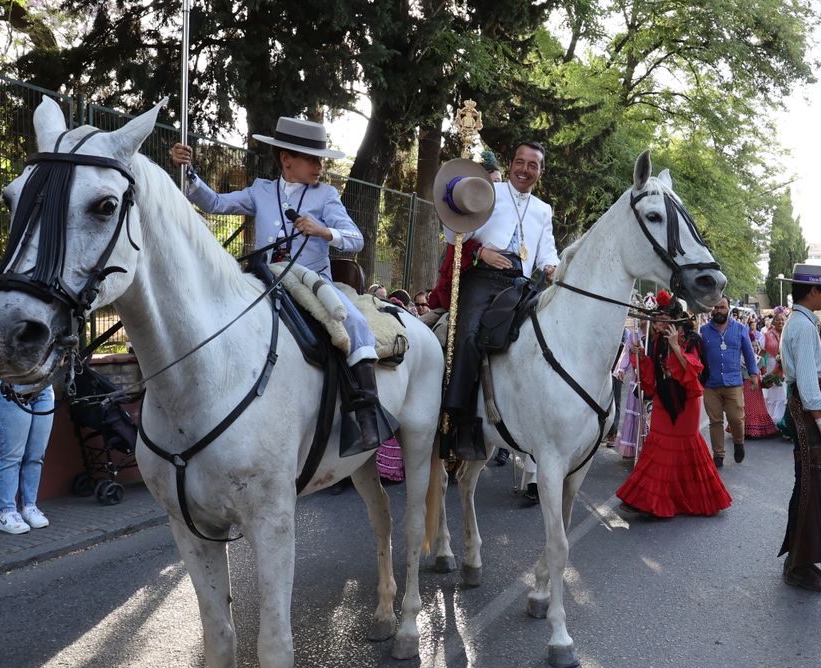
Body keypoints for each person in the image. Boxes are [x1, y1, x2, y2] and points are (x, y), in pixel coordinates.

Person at [171, 118, 388, 452]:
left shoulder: (326, 195)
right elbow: (215, 203)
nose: (320, 166)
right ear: (287, 159)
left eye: (321, 160)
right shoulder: (260, 190)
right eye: (313, 159)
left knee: (353, 323)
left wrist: (324, 231)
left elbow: (356, 239)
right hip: (265, 280)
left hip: (313, 282)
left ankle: (367, 414)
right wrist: (189, 173)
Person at [436, 141, 558, 463]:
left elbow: (547, 250)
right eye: (520, 162)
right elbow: (454, 235)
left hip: (521, 282)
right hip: (483, 278)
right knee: (468, 336)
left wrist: (552, 266)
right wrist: (479, 252)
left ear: (540, 172)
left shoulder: (544, 210)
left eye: (533, 165)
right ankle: (460, 424)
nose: (525, 170)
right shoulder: (490, 191)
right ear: (511, 163)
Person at [616, 293, 732, 520]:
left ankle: (691, 498)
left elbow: (693, 373)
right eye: (655, 319)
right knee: (657, 446)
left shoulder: (691, 339)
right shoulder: (657, 339)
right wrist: (641, 357)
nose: (654, 323)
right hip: (663, 398)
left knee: (685, 447)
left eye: (659, 319)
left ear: (672, 319)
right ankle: (647, 501)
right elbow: (656, 374)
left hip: (686, 403)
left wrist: (675, 347)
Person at [777, 263, 821, 592]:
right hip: (807, 412)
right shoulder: (803, 327)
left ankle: (802, 558)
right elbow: (807, 382)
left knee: (810, 486)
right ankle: (798, 565)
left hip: (804, 410)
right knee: (809, 488)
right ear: (815, 291)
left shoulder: (801, 322)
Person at [698, 296, 760, 467]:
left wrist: (753, 374)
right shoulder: (703, 331)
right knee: (715, 421)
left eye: (722, 307)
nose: (719, 310)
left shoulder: (740, 329)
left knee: (736, 419)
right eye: (716, 307)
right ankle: (718, 455)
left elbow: (748, 353)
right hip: (711, 383)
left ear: (728, 309)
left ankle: (738, 443)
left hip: (733, 382)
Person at [0, 383, 54, 534]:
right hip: (12, 389)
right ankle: (6, 512)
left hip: (43, 391)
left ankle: (29, 506)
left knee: (36, 455)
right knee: (12, 456)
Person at [614, 323, 645, 460]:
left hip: (649, 379)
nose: (642, 320)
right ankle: (632, 448)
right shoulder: (634, 334)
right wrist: (621, 369)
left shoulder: (655, 333)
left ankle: (645, 448)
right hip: (636, 378)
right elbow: (626, 352)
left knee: (646, 416)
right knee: (634, 412)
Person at [763, 309, 788, 428]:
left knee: (783, 392)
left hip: (786, 367)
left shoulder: (789, 334)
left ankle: (782, 421)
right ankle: (771, 419)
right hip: (772, 365)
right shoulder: (767, 335)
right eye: (777, 319)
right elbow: (761, 352)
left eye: (783, 319)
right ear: (773, 321)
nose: (780, 322)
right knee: (773, 391)